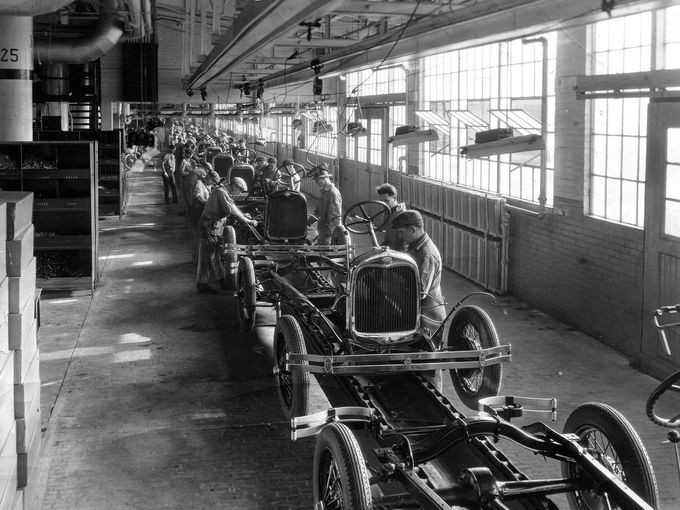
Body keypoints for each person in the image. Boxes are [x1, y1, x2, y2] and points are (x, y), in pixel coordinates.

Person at [390, 210, 446, 346]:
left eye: (402, 232)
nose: (400, 237)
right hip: (415, 313)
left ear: (413, 230)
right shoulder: (416, 247)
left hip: (426, 320)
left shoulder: (426, 255)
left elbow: (420, 292)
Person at [196, 177, 257, 294]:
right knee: (207, 258)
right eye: (239, 190)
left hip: (216, 227)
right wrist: (248, 221)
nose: (239, 193)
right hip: (209, 227)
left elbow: (233, 207)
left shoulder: (223, 192)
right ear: (233, 186)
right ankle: (201, 285)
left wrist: (244, 215)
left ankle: (222, 281)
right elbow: (232, 211)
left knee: (216, 257)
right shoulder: (220, 192)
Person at [313, 169, 342, 245]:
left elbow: (335, 217)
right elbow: (318, 211)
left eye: (317, 180)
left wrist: (329, 236)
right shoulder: (324, 192)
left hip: (329, 233)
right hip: (322, 230)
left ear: (324, 178)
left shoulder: (332, 193)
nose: (316, 183)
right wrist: (307, 223)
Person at [376, 183, 406, 250]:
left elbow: (404, 243)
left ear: (394, 198)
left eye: (386, 200)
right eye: (381, 201)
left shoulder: (401, 215)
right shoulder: (388, 211)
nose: (383, 204)